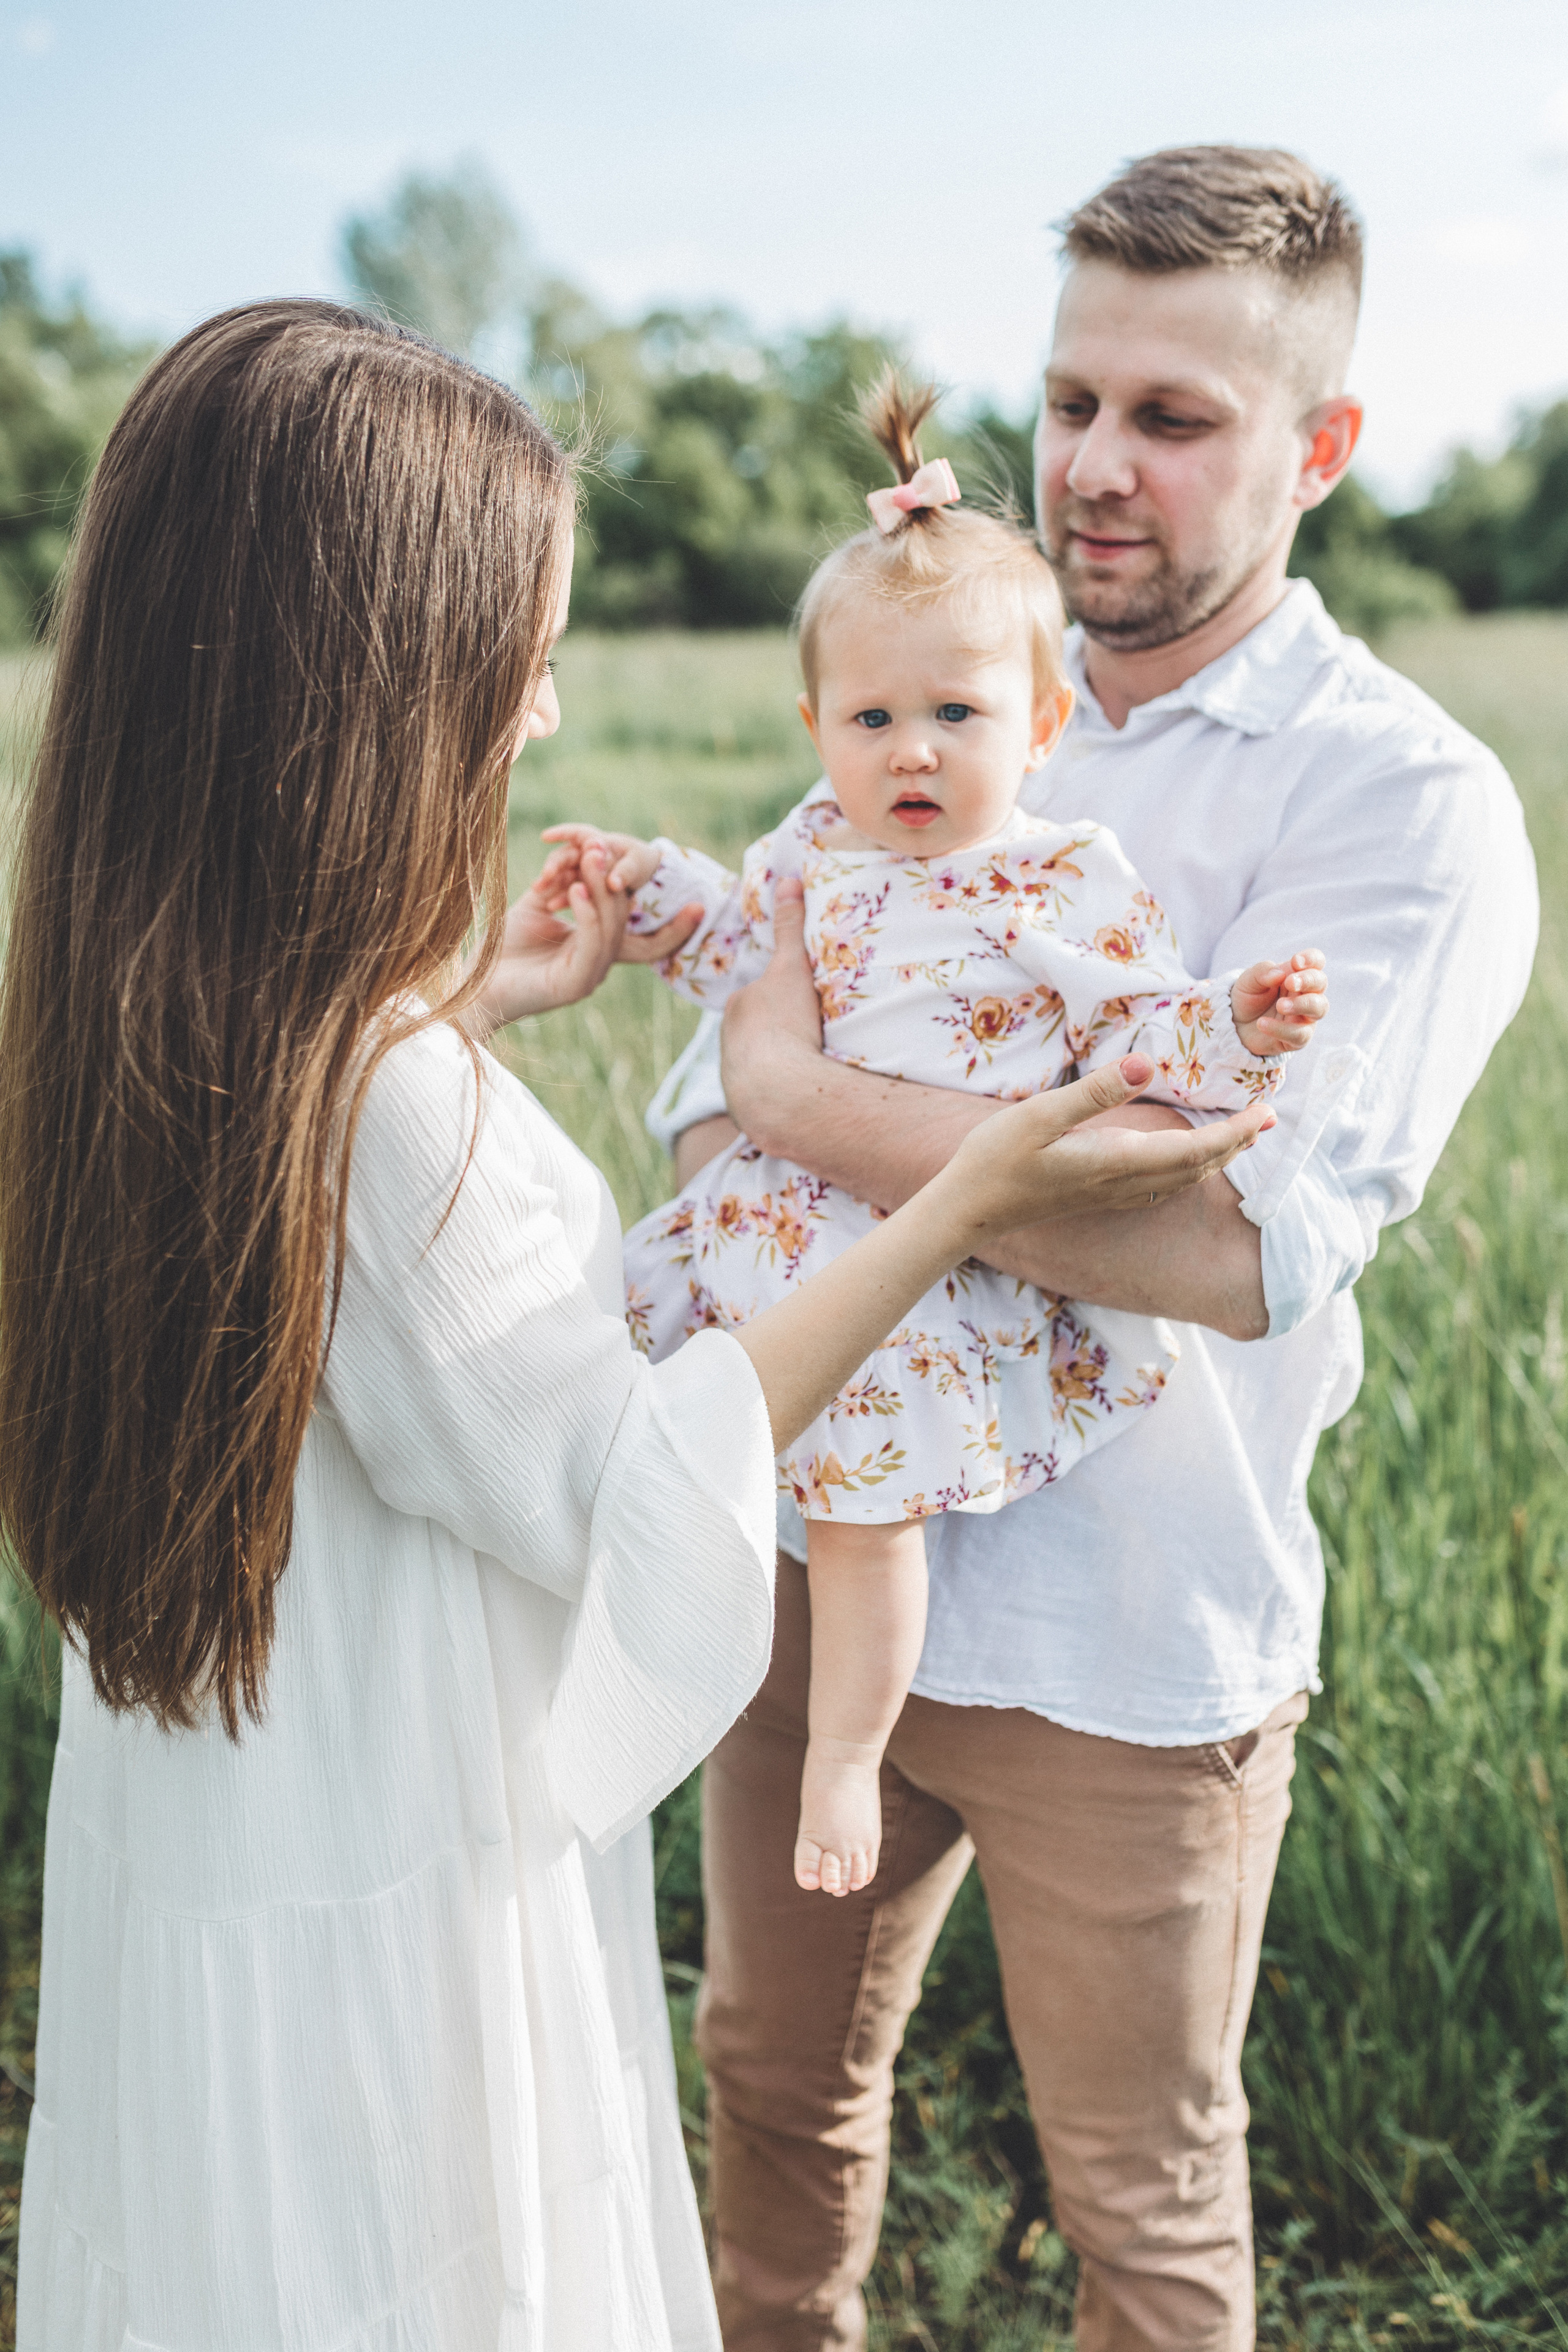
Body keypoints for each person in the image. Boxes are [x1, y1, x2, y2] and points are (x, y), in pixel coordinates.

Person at [4, 301, 1264, 2352]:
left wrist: (457, 1011)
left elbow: (306, 1206)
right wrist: (962, 1193)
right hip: (406, 1910)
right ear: (373, 684)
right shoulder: (385, 1107)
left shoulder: (143, 1029)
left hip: (227, 1845)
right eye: (525, 654)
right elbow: (638, 1481)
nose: (554, 714)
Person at [645, 148, 1540, 2348]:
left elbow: (1240, 1241)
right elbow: (697, 1112)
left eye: (1173, 416)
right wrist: (930, 1137)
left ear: (1321, 448)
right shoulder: (916, 670)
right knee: (769, 2101)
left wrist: (809, 1099)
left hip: (1140, 1644)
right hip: (817, 1547)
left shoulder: (1398, 801)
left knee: (1138, 2208)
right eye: (1067, 402)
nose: (1091, 470)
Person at [540, 374, 1327, 1902]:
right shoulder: (812, 849)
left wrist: (1238, 1021)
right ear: (815, 727)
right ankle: (596, 1681)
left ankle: (846, 1747)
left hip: (917, 1268)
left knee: (859, 1503)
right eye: (872, 718)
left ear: (1036, 727)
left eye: (954, 716)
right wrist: (649, 888)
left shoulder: (1055, 881)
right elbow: (733, 941)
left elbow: (1136, 1031)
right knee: (631, 1416)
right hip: (777, 1238)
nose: (911, 753)